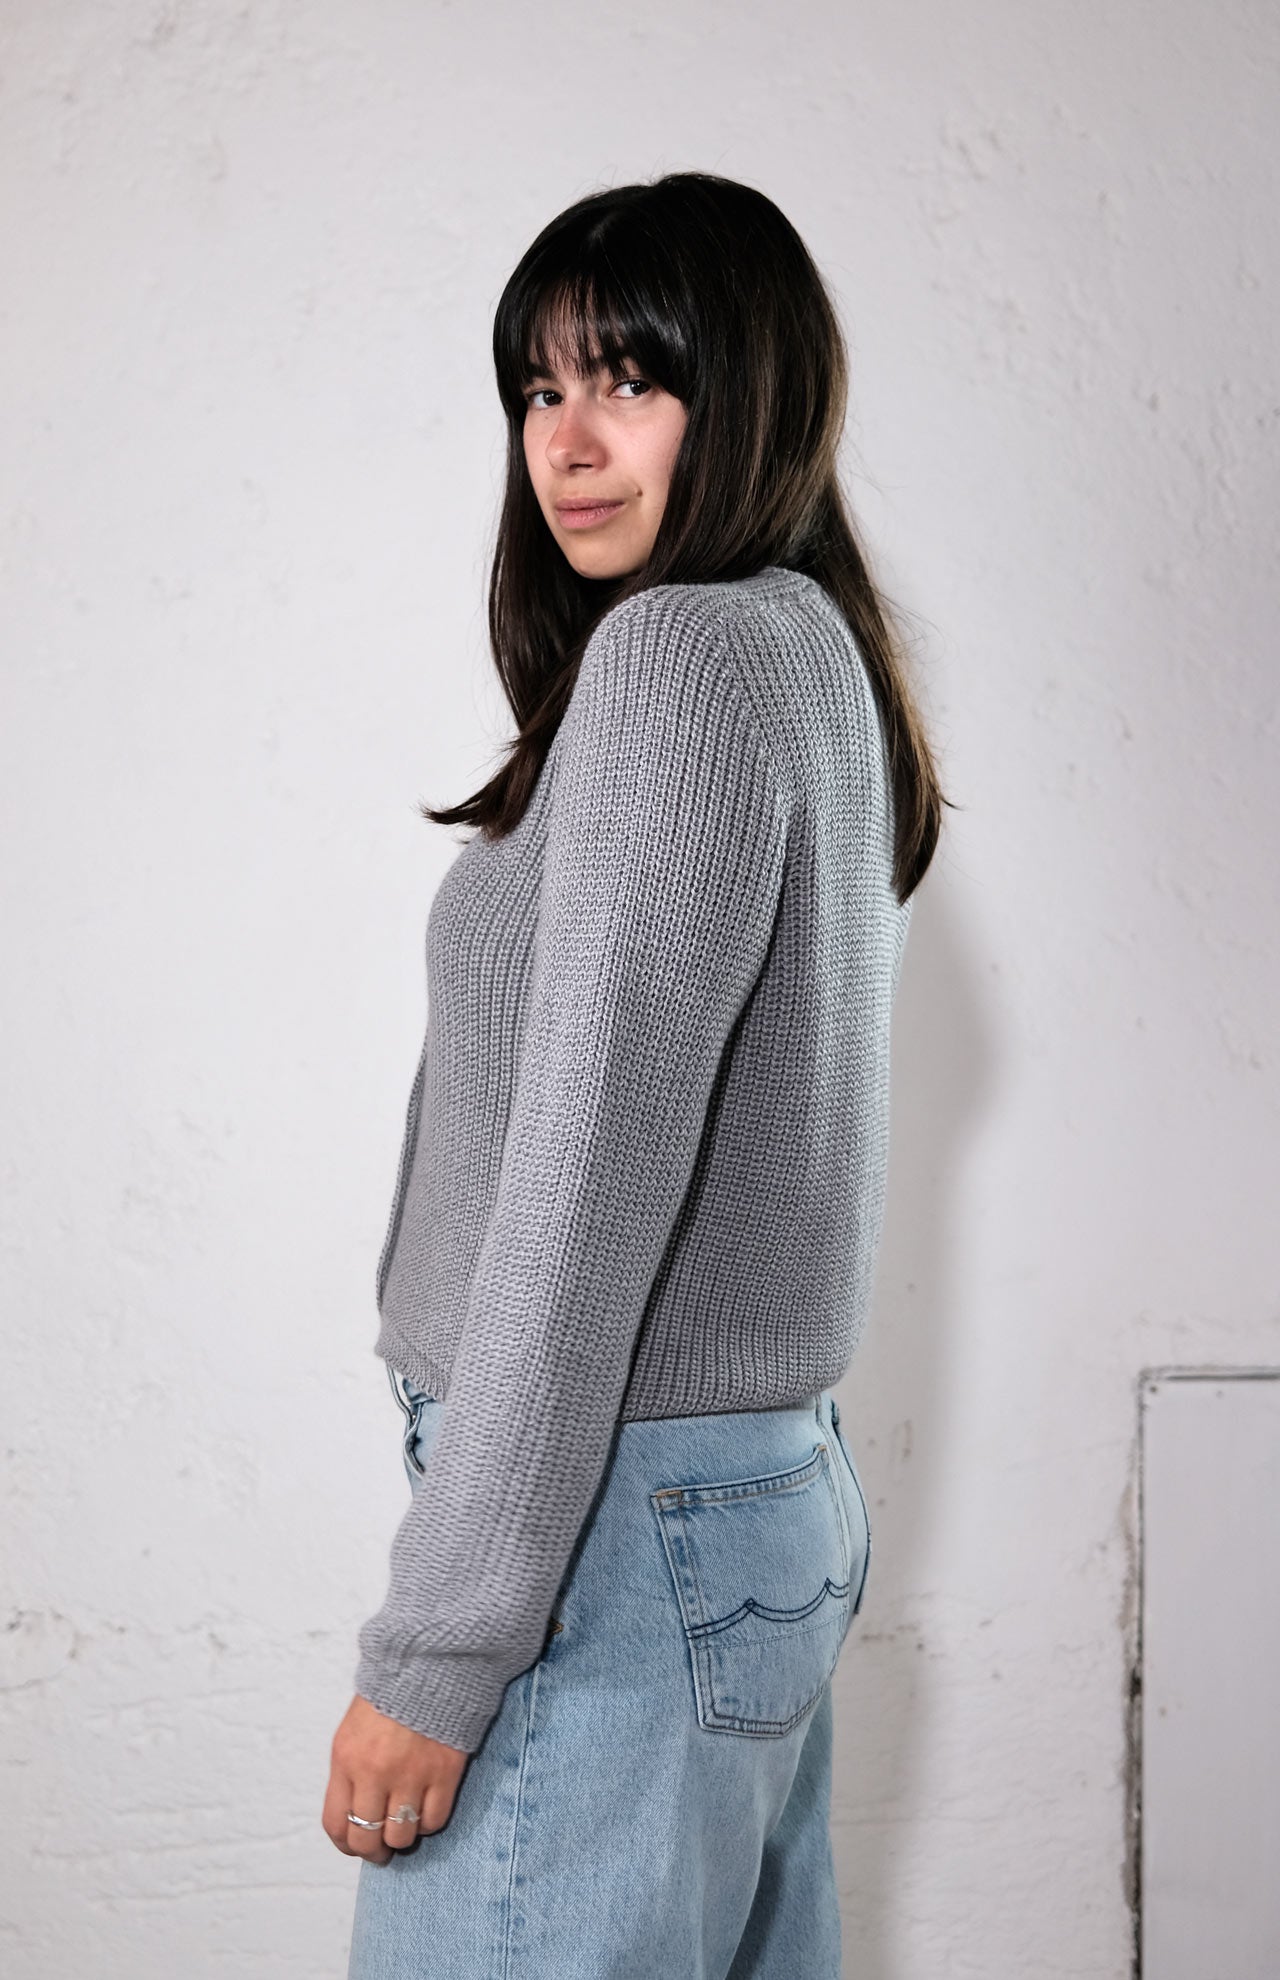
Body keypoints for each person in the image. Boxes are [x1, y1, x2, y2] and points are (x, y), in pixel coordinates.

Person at [323, 168, 947, 1978]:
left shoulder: (682, 658)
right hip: (749, 1505)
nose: (568, 441)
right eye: (539, 387)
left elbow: (586, 1192)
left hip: (607, 1520)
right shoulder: (811, 652)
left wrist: (440, 1652)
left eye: (631, 379)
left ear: (747, 391)